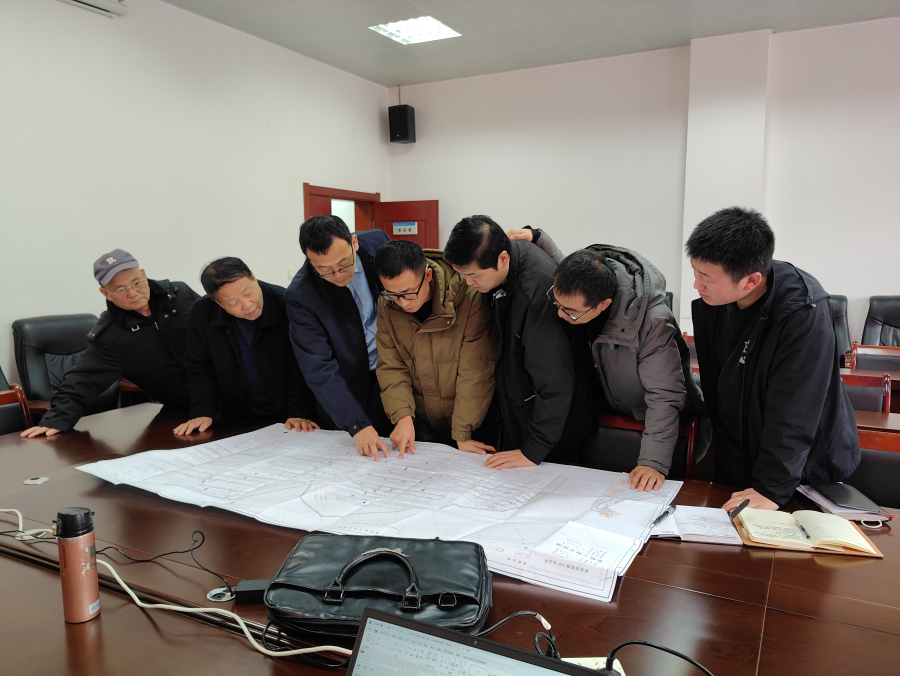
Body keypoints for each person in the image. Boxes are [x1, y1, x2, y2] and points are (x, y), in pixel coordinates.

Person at [685, 207, 860, 511]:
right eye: (695, 271)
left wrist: (770, 488)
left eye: (706, 277)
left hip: (797, 472)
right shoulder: (717, 301)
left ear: (751, 280)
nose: (696, 284)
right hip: (741, 454)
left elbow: (795, 409)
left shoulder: (803, 313)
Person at [508, 227, 707, 492]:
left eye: (571, 312)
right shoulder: (589, 278)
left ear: (604, 304)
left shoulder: (653, 322)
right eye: (557, 304)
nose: (561, 315)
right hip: (608, 413)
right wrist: (538, 238)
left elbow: (664, 397)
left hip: (655, 422)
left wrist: (653, 463)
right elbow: (566, 268)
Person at [443, 216, 597, 470]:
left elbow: (555, 381)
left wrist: (534, 450)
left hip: (554, 429)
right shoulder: (502, 269)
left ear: (502, 259)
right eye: (462, 275)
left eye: (472, 275)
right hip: (523, 412)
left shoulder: (537, 291)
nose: (468, 283)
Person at [21, 249, 199, 438]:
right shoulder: (110, 336)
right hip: (186, 412)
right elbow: (82, 380)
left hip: (221, 396)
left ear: (144, 275)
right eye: (121, 289)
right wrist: (56, 419)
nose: (133, 293)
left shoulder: (180, 295)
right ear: (106, 293)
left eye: (136, 283)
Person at [374, 240, 496, 457]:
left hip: (471, 421)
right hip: (421, 420)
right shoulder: (387, 305)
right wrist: (402, 417)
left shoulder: (468, 296)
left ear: (428, 275)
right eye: (392, 294)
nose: (402, 303)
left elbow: (475, 369)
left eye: (408, 293)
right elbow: (391, 366)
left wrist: (462, 433)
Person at [286, 216, 392, 461]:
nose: (337, 274)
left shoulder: (378, 243)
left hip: (396, 369)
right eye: (324, 270)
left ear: (354, 242)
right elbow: (318, 367)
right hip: (352, 383)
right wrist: (357, 424)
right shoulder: (302, 295)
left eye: (344, 264)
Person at [174, 257, 319, 436]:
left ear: (253, 277)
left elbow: (301, 365)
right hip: (237, 418)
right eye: (233, 303)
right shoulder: (202, 313)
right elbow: (199, 367)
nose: (247, 305)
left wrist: (299, 411)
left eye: (248, 293)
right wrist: (202, 411)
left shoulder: (285, 303)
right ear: (218, 303)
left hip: (288, 415)